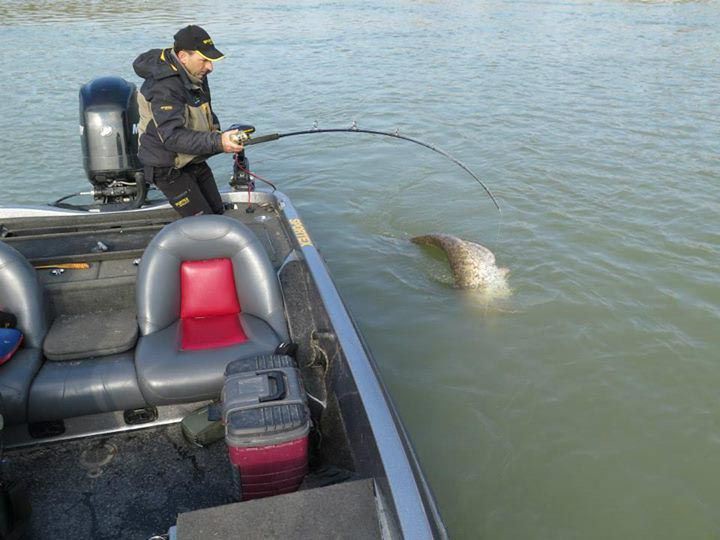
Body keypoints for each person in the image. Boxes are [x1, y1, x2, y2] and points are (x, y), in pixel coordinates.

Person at [133, 25, 244, 216]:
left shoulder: (194, 73)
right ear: (183, 56)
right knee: (205, 223)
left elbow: (204, 113)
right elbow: (172, 138)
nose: (210, 67)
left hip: (192, 159)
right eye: (204, 60)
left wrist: (224, 136)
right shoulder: (165, 87)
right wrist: (218, 142)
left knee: (218, 213)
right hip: (167, 167)